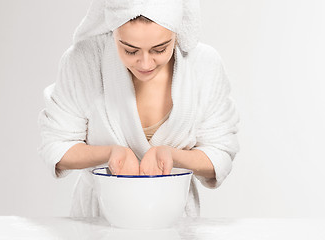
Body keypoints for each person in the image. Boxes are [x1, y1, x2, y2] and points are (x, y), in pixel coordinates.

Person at [38, 0, 239, 218]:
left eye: (160, 49)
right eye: (130, 50)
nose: (145, 63)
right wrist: (111, 154)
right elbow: (56, 145)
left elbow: (220, 152)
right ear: (113, 30)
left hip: (173, 218)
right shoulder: (84, 59)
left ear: (176, 32)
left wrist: (172, 156)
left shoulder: (204, 65)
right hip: (98, 218)